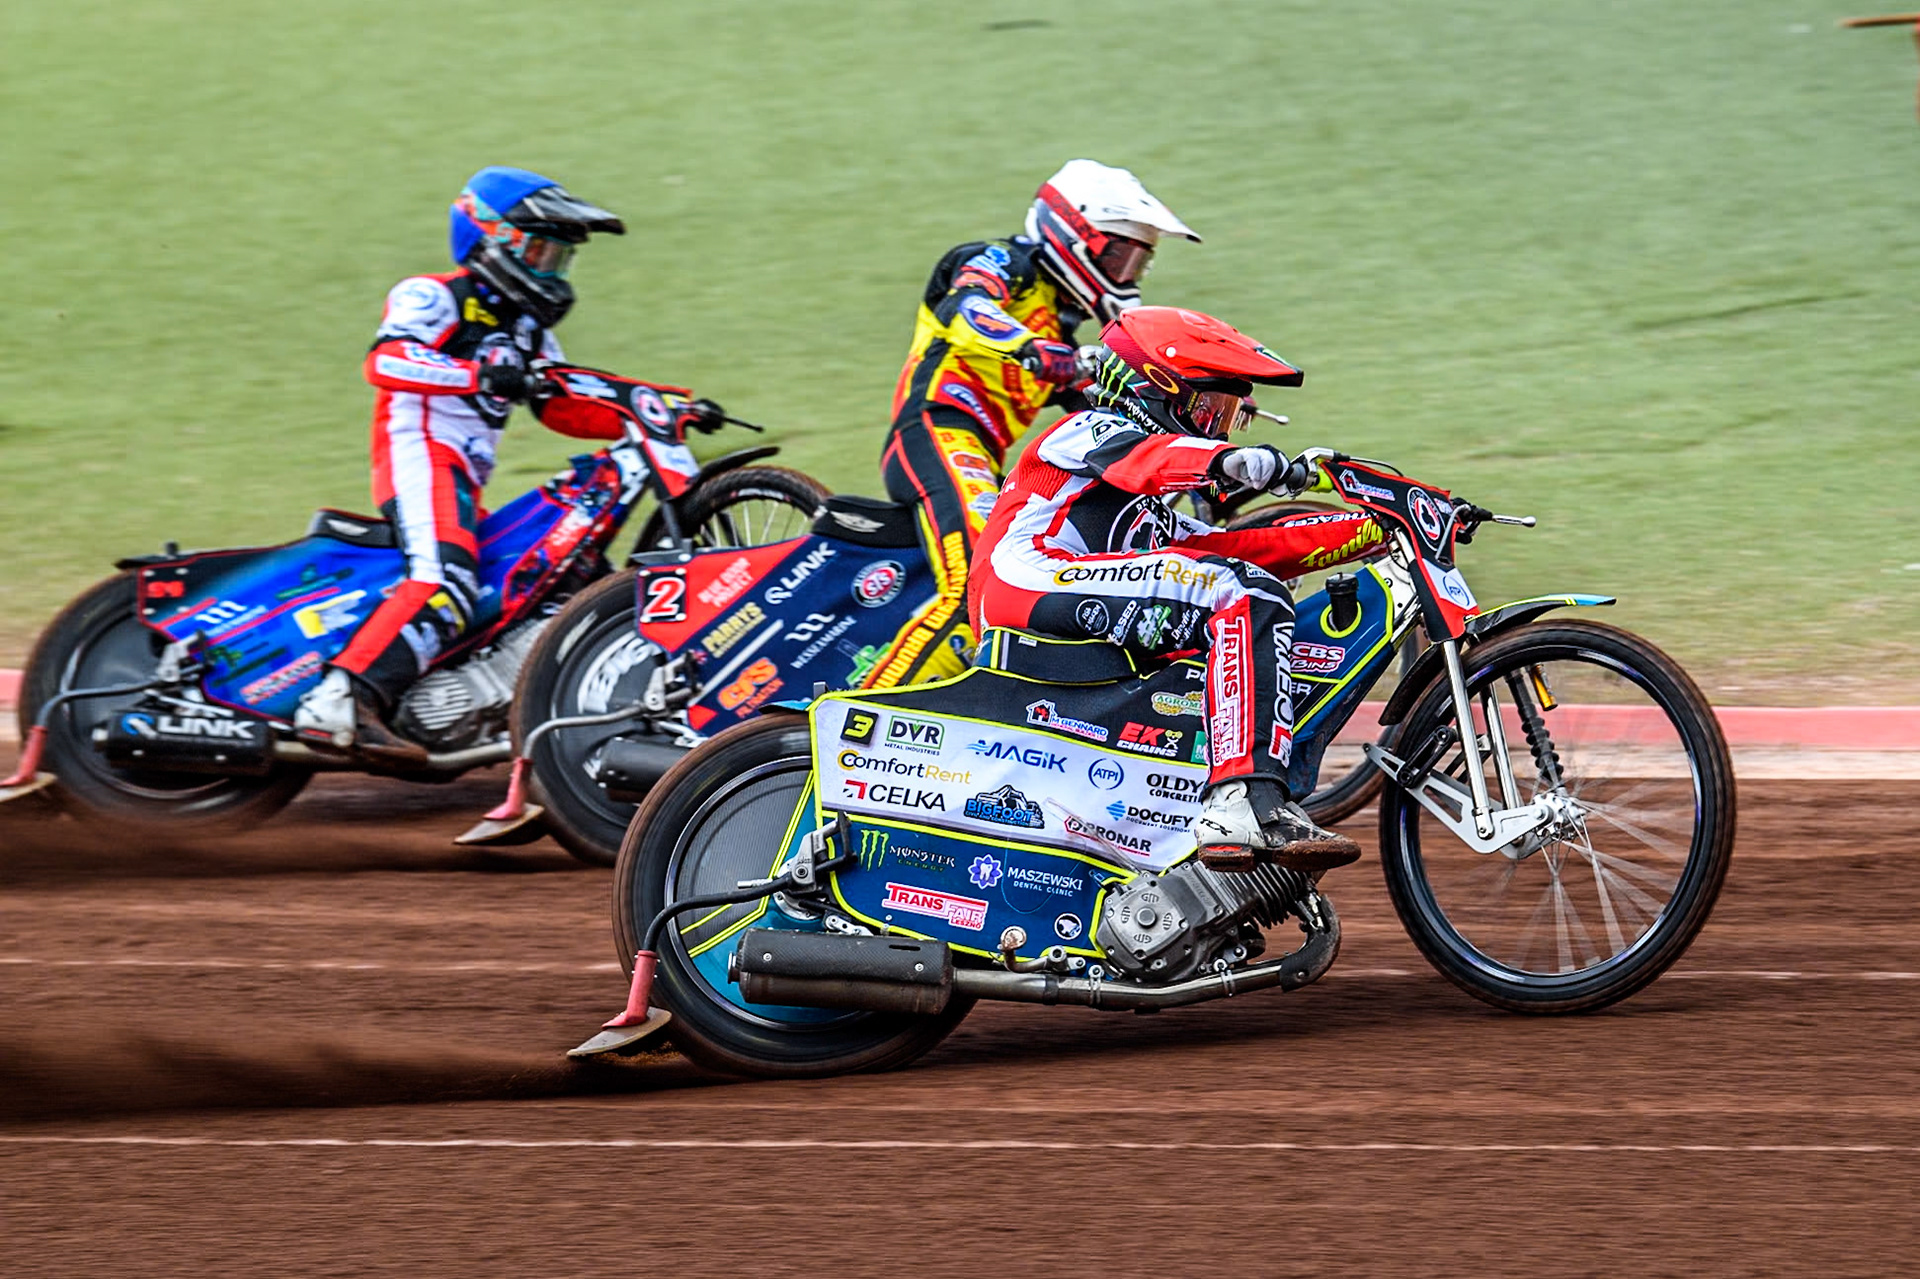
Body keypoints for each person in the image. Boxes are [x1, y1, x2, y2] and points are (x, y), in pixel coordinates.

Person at [295, 166, 722, 765]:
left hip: (464, 477)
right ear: (489, 237)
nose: (551, 268)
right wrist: (476, 374)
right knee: (444, 576)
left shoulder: (528, 333)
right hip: (420, 456)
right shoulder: (433, 295)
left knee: (542, 585)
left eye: (560, 257)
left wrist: (659, 404)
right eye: (540, 250)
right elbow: (386, 362)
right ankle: (338, 701)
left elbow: (564, 405)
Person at [969, 305, 1386, 871]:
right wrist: (1232, 461)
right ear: (1155, 388)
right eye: (1211, 407)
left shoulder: (1146, 511)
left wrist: (1376, 528)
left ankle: (1199, 802)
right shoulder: (1089, 430)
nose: (1219, 425)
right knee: (1238, 591)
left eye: (1231, 415)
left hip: (1060, 589)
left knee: (1235, 580)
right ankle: (1241, 798)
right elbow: (1153, 461)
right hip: (1025, 580)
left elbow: (1244, 544)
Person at [864, 160, 1200, 690]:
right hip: (934, 429)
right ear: (1072, 232)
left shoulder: (1063, 323)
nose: (1127, 272)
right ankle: (846, 723)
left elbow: (1099, 410)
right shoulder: (1003, 261)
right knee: (977, 579)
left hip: (981, 451)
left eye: (1140, 259)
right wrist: (1031, 349)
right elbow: (967, 306)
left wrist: (1188, 450)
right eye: (1119, 253)